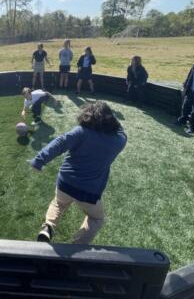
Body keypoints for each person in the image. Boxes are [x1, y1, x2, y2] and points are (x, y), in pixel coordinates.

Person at [30, 101, 126, 244]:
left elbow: (60, 143)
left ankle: (48, 228)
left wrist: (39, 160)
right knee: (96, 218)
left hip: (65, 182)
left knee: (58, 203)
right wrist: (110, 117)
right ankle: (77, 245)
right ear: (110, 119)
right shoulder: (119, 140)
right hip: (89, 192)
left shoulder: (81, 131)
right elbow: (120, 130)